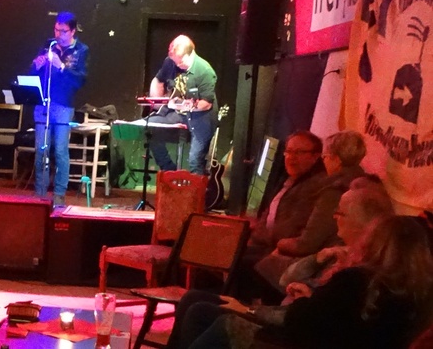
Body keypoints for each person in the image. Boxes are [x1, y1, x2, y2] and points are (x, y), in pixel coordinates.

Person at [165, 182, 394, 349]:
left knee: (204, 313)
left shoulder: (357, 272)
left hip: (287, 331)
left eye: (340, 212)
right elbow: (287, 280)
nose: (334, 217)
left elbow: (308, 318)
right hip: (286, 316)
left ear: (361, 222)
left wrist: (248, 310)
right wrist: (318, 257)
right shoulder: (339, 250)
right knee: (193, 298)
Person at [176, 215, 433, 349]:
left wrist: (253, 311)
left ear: (373, 242)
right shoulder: (417, 292)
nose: (334, 216)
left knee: (218, 320)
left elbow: (300, 323)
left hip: (296, 341)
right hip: (310, 334)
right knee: (201, 306)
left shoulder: (357, 280)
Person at [253, 130, 368, 292]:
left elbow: (307, 243)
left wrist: (279, 245)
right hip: (329, 259)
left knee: (252, 266)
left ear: (336, 159)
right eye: (288, 151)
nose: (291, 157)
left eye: (325, 157)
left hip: (326, 264)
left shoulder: (334, 190)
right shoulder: (359, 183)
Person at [235, 130, 327, 303]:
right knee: (226, 251)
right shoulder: (291, 180)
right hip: (266, 243)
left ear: (316, 156)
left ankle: (237, 309)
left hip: (282, 252)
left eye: (299, 152)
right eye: (289, 151)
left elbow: (290, 228)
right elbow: (268, 213)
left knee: (237, 262)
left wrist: (259, 237)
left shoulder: (316, 186)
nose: (291, 157)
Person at [30, 11, 88, 206]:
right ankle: (40, 193)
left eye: (63, 31)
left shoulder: (81, 50)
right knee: (41, 150)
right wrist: (36, 66)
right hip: (43, 103)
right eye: (56, 30)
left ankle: (59, 195)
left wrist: (61, 66)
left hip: (64, 105)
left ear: (72, 31)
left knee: (61, 151)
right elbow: (34, 74)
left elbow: (80, 80)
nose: (58, 34)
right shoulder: (48, 45)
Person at [147, 35, 218, 174]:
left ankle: (195, 186)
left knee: (194, 160)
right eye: (175, 62)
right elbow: (158, 79)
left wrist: (184, 106)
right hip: (179, 114)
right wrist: (158, 101)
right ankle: (169, 172)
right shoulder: (170, 62)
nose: (178, 65)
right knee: (150, 128)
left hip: (202, 117)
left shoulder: (205, 71)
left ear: (191, 53)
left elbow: (206, 104)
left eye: (181, 62)